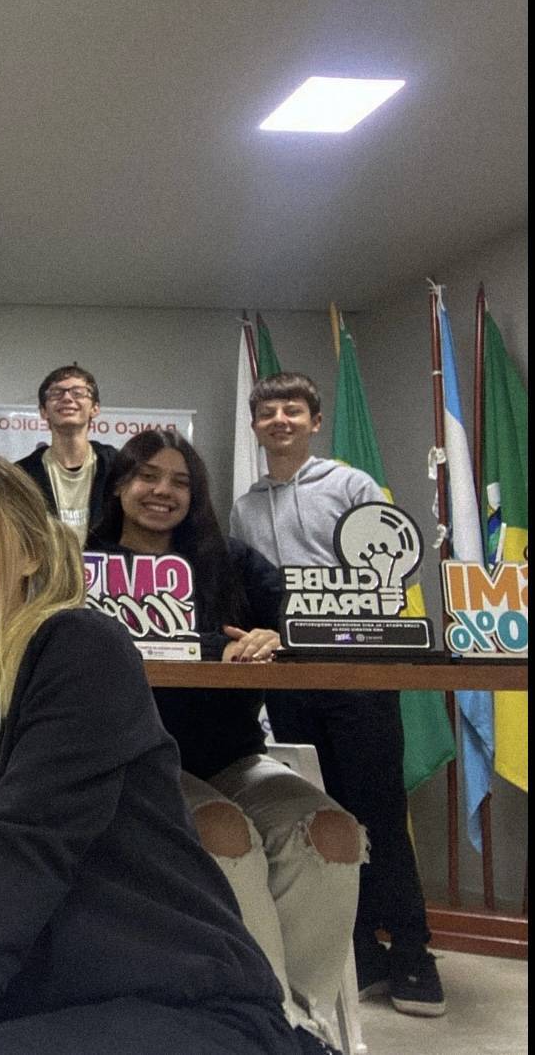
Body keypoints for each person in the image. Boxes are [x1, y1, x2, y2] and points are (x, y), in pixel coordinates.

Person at [0, 455, 324, 1055]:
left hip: (184, 1000)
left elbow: (21, 849)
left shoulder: (79, 648)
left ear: (33, 555)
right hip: (46, 1011)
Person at [92, 430, 363, 1048]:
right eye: (147, 476)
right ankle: (264, 1019)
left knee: (334, 832)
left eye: (180, 481)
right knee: (220, 827)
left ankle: (301, 1017)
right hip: (133, 759)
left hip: (235, 755)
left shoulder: (234, 562)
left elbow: (296, 624)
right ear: (119, 485)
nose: (163, 491)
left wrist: (275, 640)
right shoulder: (79, 560)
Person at [230, 372, 443, 1018]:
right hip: (290, 679)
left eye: (292, 409)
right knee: (318, 820)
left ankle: (411, 950)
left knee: (376, 810)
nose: (279, 420)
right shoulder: (243, 505)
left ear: (314, 420)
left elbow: (383, 568)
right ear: (256, 425)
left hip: (357, 673)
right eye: (267, 412)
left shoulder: (350, 485)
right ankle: (358, 947)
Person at [13, 364, 118, 540]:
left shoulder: (117, 467)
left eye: (78, 393)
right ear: (43, 411)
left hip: (105, 566)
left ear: (95, 408)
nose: (67, 398)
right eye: (56, 393)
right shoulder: (21, 474)